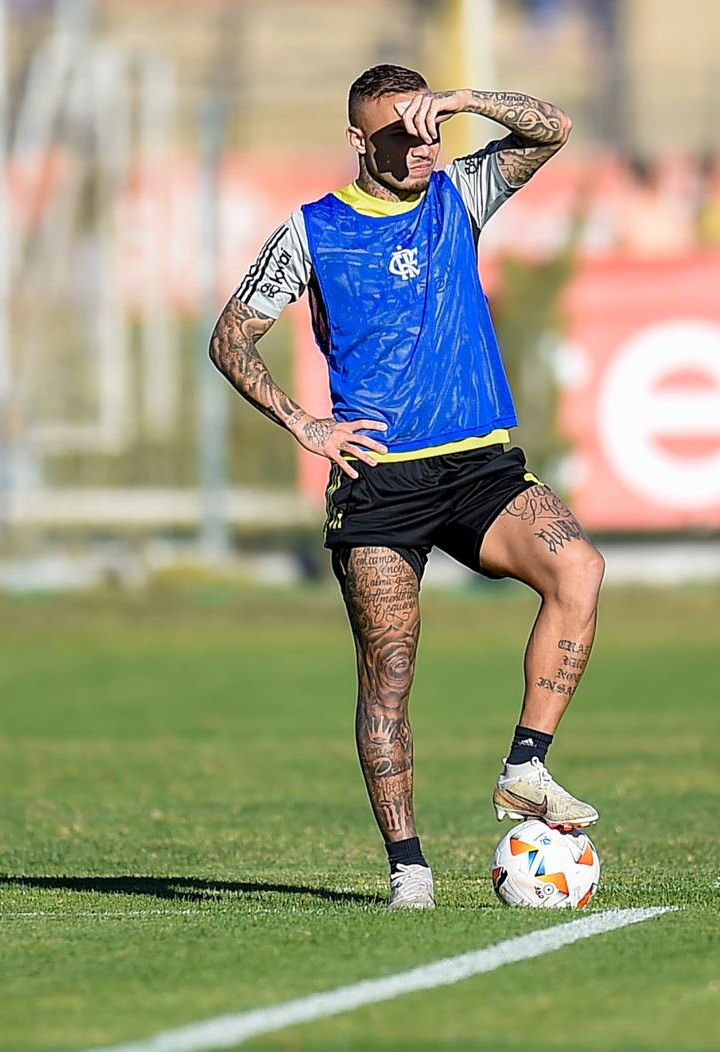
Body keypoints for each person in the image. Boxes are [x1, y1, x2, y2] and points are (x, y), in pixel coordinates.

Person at [207, 65, 603, 910]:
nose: (421, 148)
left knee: (580, 569)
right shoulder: (312, 231)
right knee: (388, 671)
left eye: (430, 131)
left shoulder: (456, 192)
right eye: (400, 136)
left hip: (479, 466)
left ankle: (527, 770)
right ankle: (409, 869)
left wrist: (460, 101)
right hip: (380, 481)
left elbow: (551, 127)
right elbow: (231, 336)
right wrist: (302, 423)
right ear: (358, 140)